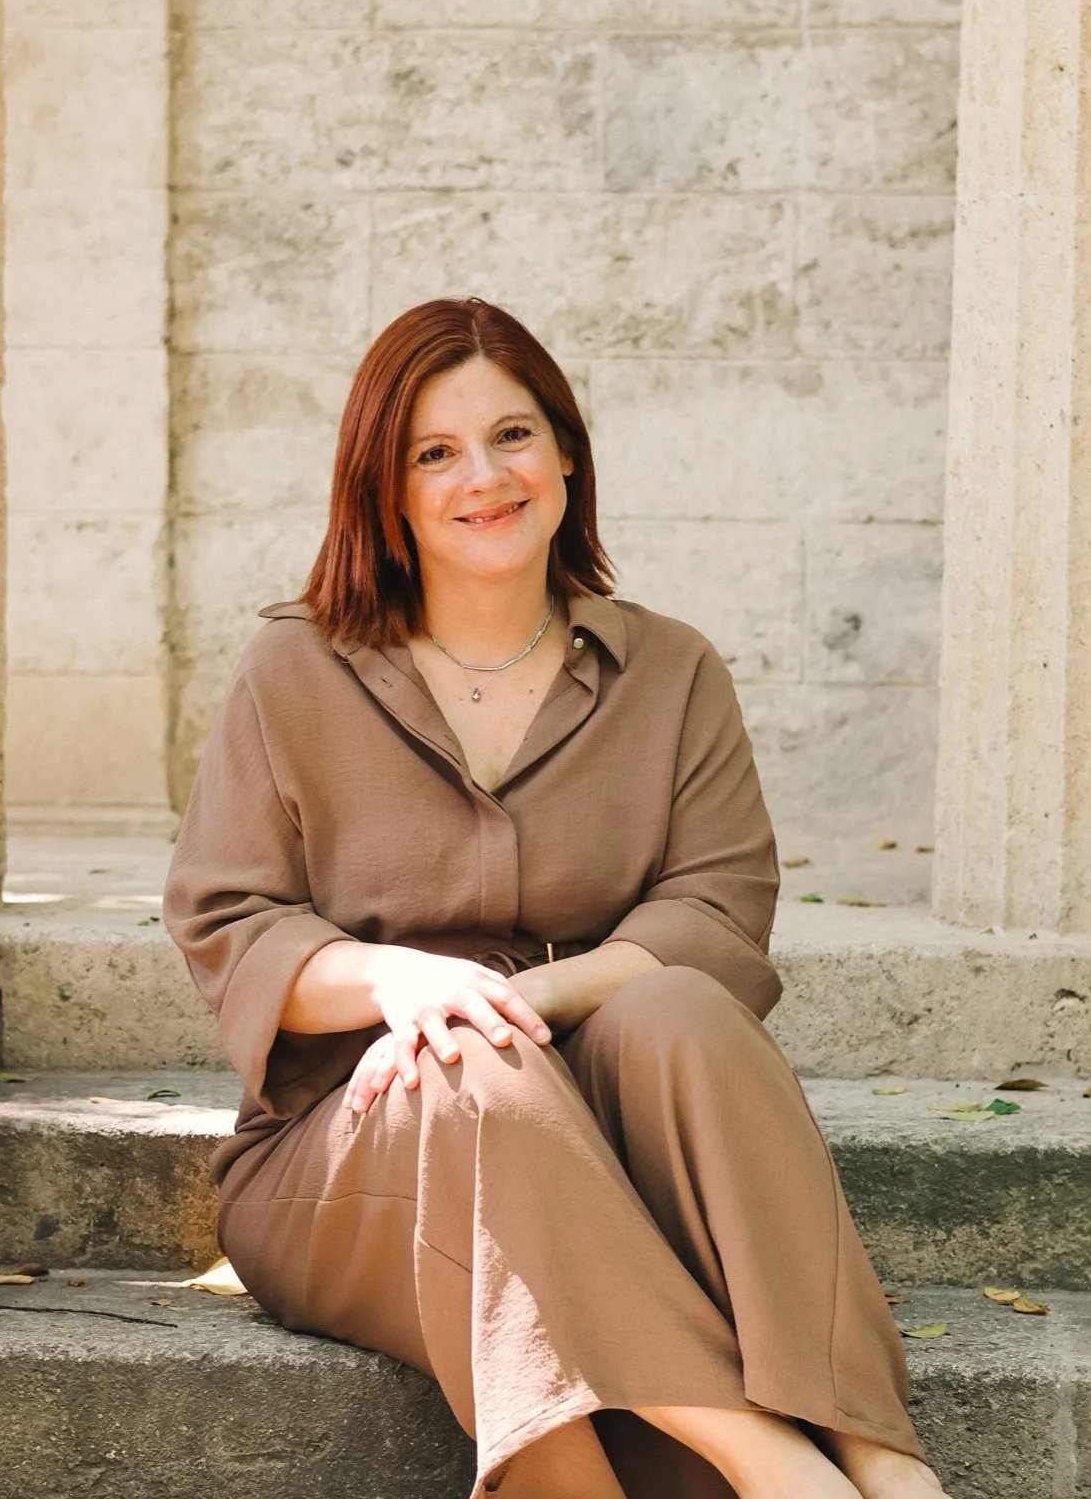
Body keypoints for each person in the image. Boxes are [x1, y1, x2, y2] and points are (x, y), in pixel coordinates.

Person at [162, 297, 951, 1499]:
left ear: (567, 453)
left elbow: (717, 910)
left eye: (512, 435)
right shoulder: (293, 669)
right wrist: (405, 981)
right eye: (435, 451)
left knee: (681, 1010)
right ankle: (774, 1462)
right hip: (359, 1149)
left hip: (606, 1116)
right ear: (385, 488)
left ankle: (883, 1460)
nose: (483, 477)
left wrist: (538, 993)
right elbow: (230, 920)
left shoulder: (670, 670)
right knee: (474, 1058)